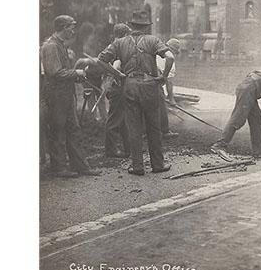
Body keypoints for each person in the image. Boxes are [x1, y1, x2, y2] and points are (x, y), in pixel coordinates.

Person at [98, 10, 175, 175]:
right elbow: (170, 57)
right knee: (154, 127)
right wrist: (163, 76)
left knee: (134, 128)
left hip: (130, 85)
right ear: (146, 27)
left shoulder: (120, 42)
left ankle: (138, 166)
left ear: (132, 26)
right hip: (149, 85)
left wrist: (117, 74)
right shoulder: (153, 40)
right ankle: (158, 165)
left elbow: (101, 59)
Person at [40, 15, 101, 177]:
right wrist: (77, 72)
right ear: (63, 27)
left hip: (65, 94)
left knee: (74, 130)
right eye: (71, 27)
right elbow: (55, 72)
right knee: (58, 131)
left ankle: (81, 166)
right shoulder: (51, 46)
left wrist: (76, 74)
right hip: (56, 96)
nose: (73, 31)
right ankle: (59, 168)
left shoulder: (60, 45)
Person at [102, 23, 131, 158]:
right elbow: (101, 60)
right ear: (124, 35)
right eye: (128, 35)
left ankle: (128, 148)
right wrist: (117, 73)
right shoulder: (115, 46)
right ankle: (111, 150)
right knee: (114, 118)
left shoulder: (118, 46)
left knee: (123, 118)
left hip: (119, 85)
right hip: (116, 85)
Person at [158, 38, 181, 138]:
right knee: (162, 107)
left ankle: (146, 131)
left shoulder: (156, 52)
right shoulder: (169, 58)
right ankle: (164, 131)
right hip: (154, 84)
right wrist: (171, 99)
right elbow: (169, 81)